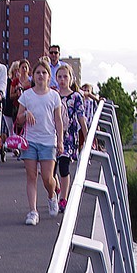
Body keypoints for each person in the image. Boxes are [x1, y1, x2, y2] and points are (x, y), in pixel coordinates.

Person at [16, 61, 64, 225]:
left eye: (44, 73)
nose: (41, 75)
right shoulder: (26, 95)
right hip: (30, 140)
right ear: (33, 76)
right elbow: (18, 119)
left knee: (47, 177)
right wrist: (25, 114)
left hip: (48, 140)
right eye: (38, 73)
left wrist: (60, 141)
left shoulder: (54, 96)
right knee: (31, 176)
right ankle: (33, 211)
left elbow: (58, 120)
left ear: (49, 77)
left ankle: (52, 195)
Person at [55, 65, 89, 214]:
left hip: (68, 136)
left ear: (70, 78)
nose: (62, 80)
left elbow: (81, 117)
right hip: (53, 135)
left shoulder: (76, 97)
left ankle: (63, 198)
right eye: (59, 77)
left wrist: (86, 136)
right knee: (49, 170)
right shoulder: (53, 95)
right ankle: (57, 187)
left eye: (65, 76)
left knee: (64, 165)